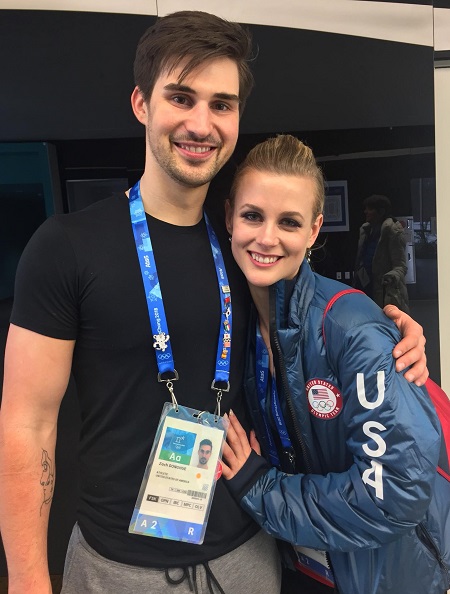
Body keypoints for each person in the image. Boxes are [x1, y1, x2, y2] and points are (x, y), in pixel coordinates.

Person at [0, 11, 427, 594]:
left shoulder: (249, 257)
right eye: (181, 96)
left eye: (221, 104)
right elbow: (27, 424)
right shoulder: (66, 248)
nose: (201, 122)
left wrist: (395, 340)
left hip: (247, 554)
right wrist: (27, 578)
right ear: (141, 103)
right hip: (114, 568)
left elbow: (320, 335)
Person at [221, 135, 449, 594]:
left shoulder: (352, 329)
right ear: (229, 217)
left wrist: (261, 489)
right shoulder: (235, 321)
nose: (266, 237)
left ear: (314, 229)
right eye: (252, 216)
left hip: (386, 576)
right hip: (299, 565)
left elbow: (395, 493)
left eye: (289, 222)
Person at [354, 194, 410, 312]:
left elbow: (401, 266)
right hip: (365, 287)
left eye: (370, 209)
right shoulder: (366, 231)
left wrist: (390, 277)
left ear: (380, 211)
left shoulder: (392, 231)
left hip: (384, 293)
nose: (365, 212)